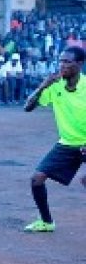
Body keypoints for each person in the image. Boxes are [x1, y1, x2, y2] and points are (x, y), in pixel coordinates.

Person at [22, 46, 86, 233]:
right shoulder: (55, 86)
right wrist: (43, 86)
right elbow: (28, 107)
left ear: (79, 65)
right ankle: (46, 222)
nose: (62, 65)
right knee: (37, 179)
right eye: (60, 61)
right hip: (67, 143)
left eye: (67, 62)